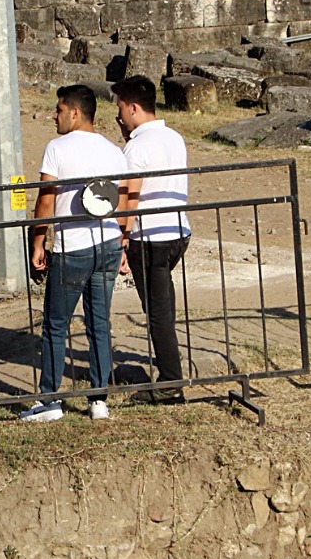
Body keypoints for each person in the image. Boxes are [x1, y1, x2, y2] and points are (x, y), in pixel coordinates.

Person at [23, 85, 130, 423]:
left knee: (56, 325)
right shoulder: (115, 151)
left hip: (74, 247)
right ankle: (98, 398)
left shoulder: (57, 148)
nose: (53, 116)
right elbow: (123, 200)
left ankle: (50, 400)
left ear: (75, 112)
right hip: (109, 242)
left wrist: (39, 239)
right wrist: (123, 241)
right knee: (99, 321)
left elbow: (45, 199)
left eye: (58, 109)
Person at [112, 74, 191, 403]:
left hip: (150, 237)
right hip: (177, 231)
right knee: (164, 304)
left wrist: (121, 241)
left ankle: (171, 381)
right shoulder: (174, 137)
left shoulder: (137, 147)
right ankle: (169, 357)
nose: (118, 116)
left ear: (132, 108)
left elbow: (129, 198)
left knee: (157, 310)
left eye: (120, 109)